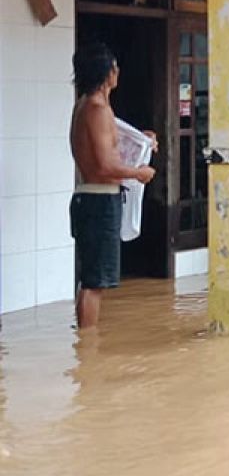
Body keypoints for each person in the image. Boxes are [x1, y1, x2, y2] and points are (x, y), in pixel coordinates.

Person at [69, 43, 156, 330]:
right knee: (95, 283)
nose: (118, 72)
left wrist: (143, 140)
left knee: (94, 280)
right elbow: (106, 165)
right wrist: (138, 173)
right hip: (98, 201)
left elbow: (109, 146)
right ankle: (87, 349)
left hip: (91, 199)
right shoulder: (96, 109)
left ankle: (86, 348)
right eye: (115, 66)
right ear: (107, 72)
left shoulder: (88, 105)